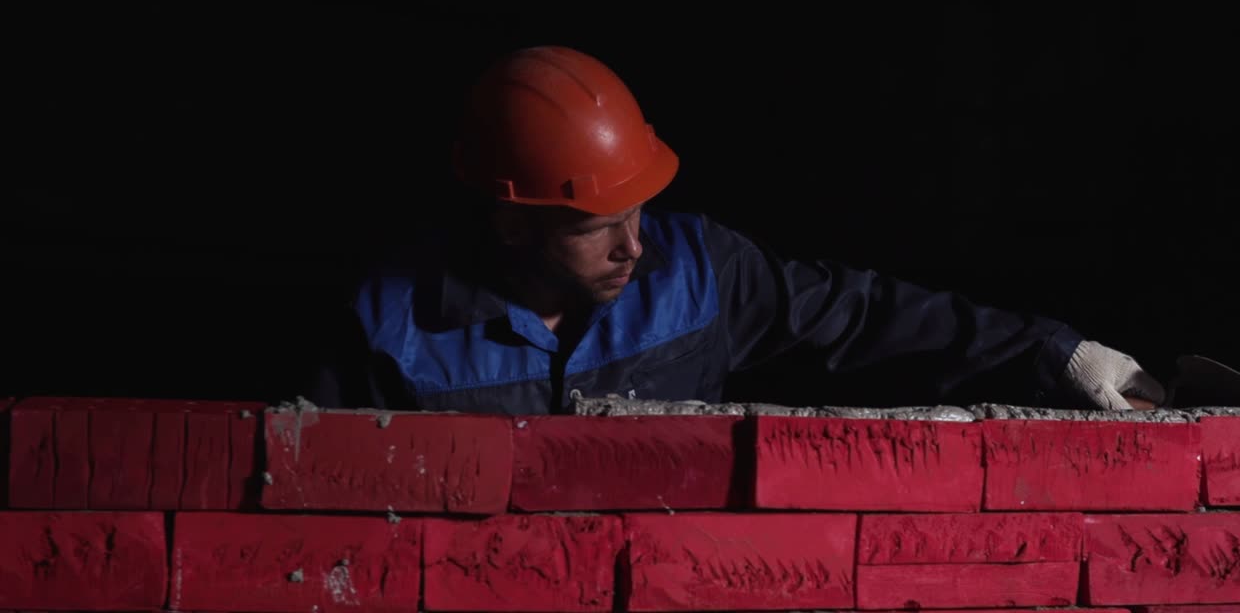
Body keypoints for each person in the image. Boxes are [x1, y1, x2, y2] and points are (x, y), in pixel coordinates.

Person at [303, 45, 1167, 414]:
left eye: (638, 211)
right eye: (597, 229)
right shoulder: (391, 336)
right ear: (512, 224)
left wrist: (1059, 355)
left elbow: (869, 315)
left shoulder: (697, 274)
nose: (634, 247)